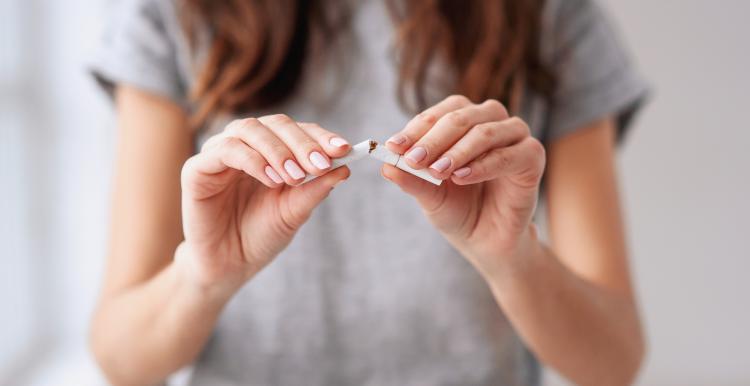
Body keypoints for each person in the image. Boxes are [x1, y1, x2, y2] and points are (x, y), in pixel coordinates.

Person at [89, 0, 649, 384]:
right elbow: (121, 358)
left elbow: (614, 361)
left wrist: (512, 259)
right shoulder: (172, 12)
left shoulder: (549, 14)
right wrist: (204, 277)